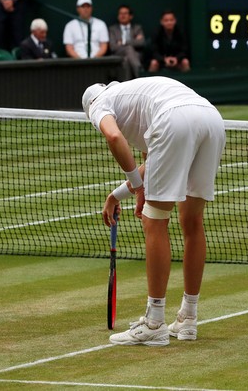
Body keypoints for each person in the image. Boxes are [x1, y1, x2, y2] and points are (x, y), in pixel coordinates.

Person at [86, 76, 225, 346]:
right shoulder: (136, 97)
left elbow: (113, 137)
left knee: (154, 220)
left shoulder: (98, 103)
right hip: (212, 119)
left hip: (175, 121)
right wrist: (118, 195)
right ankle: (188, 318)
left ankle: (154, 323)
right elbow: (154, 165)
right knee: (192, 220)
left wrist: (140, 190)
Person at [109, 4, 145, 79]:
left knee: (126, 60)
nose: (122, 16)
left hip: (134, 56)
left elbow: (141, 42)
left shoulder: (137, 28)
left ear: (131, 16)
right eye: (120, 13)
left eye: (125, 13)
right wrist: (133, 41)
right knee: (128, 49)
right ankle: (140, 74)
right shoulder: (113, 29)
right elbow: (113, 47)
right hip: (119, 54)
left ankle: (126, 85)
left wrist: (123, 42)